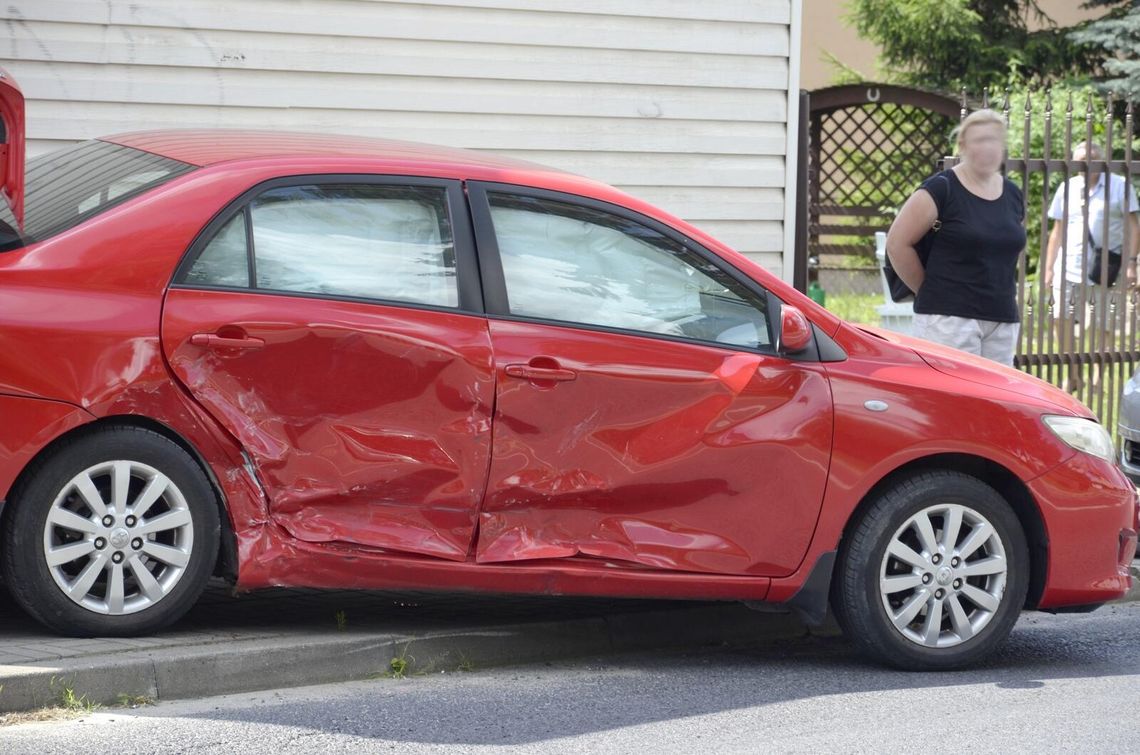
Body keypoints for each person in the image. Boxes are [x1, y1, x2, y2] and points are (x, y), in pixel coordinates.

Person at [886, 109, 1026, 366]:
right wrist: (929, 291)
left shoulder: (1013, 194)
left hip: (1002, 319)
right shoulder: (942, 188)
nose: (988, 147)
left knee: (995, 392)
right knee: (949, 392)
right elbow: (897, 244)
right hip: (948, 321)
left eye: (994, 140)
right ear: (963, 145)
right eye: (980, 140)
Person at [1042, 141, 1140, 392]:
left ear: (1102, 160)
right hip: (1068, 264)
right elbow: (1057, 230)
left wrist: (1131, 263)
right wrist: (1049, 267)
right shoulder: (1067, 187)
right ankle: (1073, 374)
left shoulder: (1120, 186)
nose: (1086, 164)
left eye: (1092, 159)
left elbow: (1133, 226)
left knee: (1103, 324)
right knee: (1059, 318)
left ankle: (1097, 378)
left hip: (1107, 267)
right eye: (1081, 160)